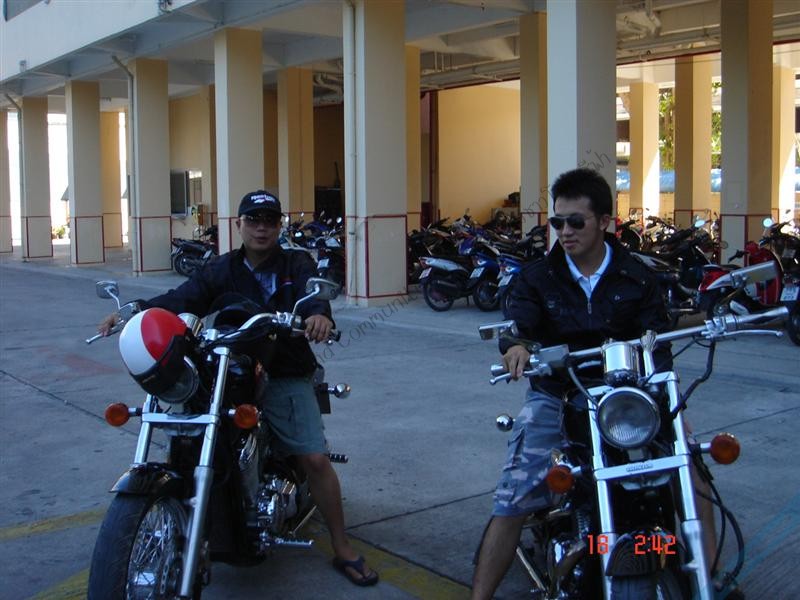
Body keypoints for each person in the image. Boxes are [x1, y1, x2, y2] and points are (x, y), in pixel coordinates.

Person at [99, 190, 378, 587]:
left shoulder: (295, 262)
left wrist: (319, 315)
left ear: (279, 225)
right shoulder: (222, 267)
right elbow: (182, 298)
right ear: (239, 224)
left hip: (284, 367)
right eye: (253, 220)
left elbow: (313, 295)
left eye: (269, 220)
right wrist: (136, 311)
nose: (261, 228)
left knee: (314, 458)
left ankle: (342, 547)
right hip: (227, 367)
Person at [470, 168, 720, 598]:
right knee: (514, 494)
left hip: (630, 397)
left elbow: (657, 340)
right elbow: (519, 325)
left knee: (695, 479)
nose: (565, 231)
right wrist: (517, 347)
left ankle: (709, 582)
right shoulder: (537, 277)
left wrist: (665, 398)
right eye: (557, 221)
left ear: (605, 221)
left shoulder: (637, 275)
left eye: (576, 221)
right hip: (559, 394)